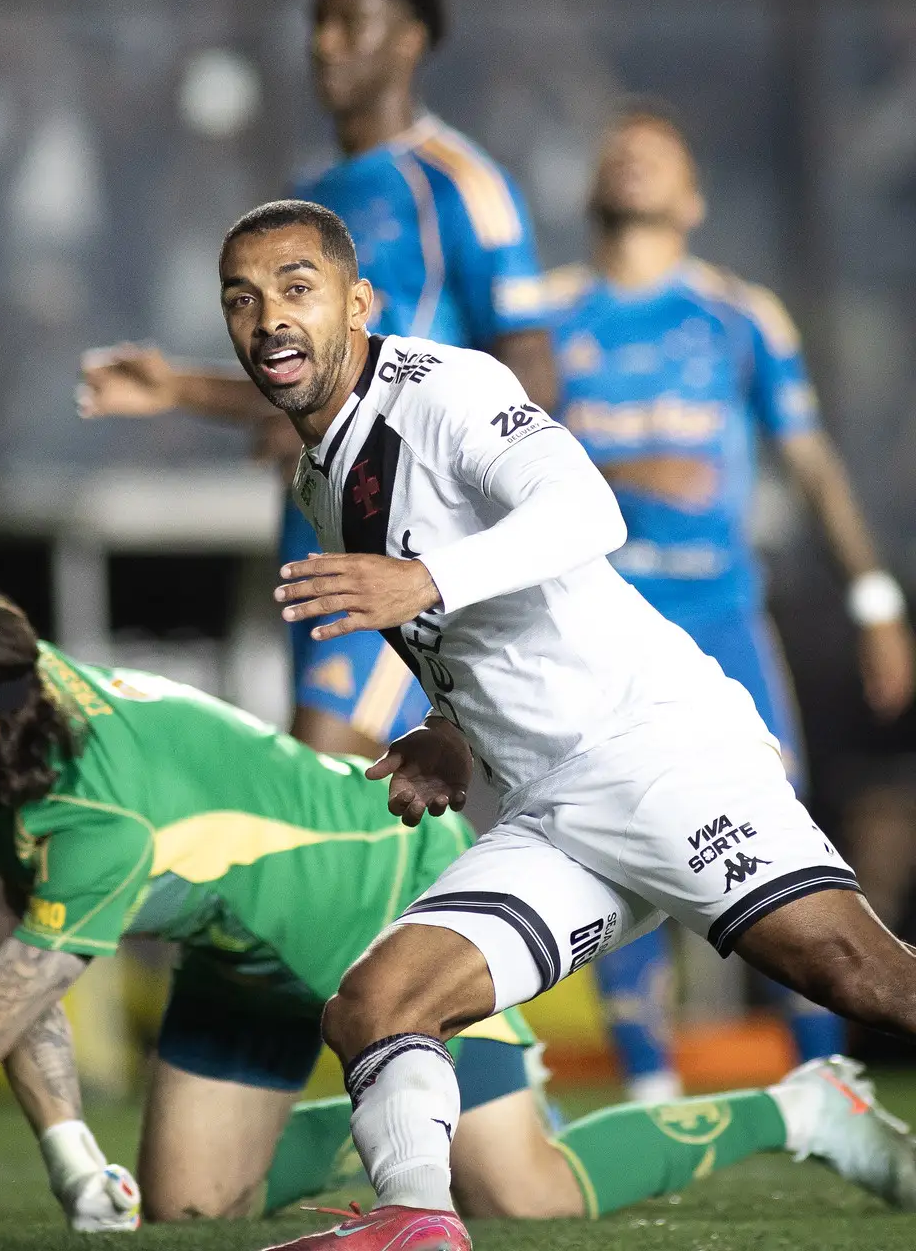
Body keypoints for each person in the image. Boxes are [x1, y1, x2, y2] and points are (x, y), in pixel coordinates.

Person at [0, 578, 909, 1240]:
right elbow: (4, 967)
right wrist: (70, 1156)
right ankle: (378, 1138)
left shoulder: (101, 820)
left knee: (526, 1195)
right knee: (196, 1210)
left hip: (364, 895)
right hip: (233, 944)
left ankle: (804, 1109)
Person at [209, 199, 916, 1251]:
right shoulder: (322, 470)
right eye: (242, 298)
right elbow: (462, 625)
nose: (269, 317)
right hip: (551, 808)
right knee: (375, 1006)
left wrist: (420, 578)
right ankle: (414, 1226)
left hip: (653, 753)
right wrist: (448, 728)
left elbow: (587, 514)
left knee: (862, 979)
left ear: (356, 304)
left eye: (296, 289)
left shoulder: (444, 388)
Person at [81, 0, 556, 761]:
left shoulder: (460, 186)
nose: (323, 42)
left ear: (408, 40)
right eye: (318, 21)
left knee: (325, 776)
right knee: (353, 802)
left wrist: (466, 510)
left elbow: (532, 369)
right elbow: (315, 376)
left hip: (401, 529)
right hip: (316, 520)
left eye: (351, 23)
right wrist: (176, 390)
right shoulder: (316, 195)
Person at [552, 106, 915, 1101]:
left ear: (692, 199)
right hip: (602, 628)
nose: (629, 154)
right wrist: (624, 463)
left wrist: (874, 597)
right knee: (606, 834)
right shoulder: (538, 319)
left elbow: (809, 464)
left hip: (719, 622)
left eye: (657, 152)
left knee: (774, 834)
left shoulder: (737, 316)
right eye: (614, 146)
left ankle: (820, 1080)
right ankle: (647, 1086)